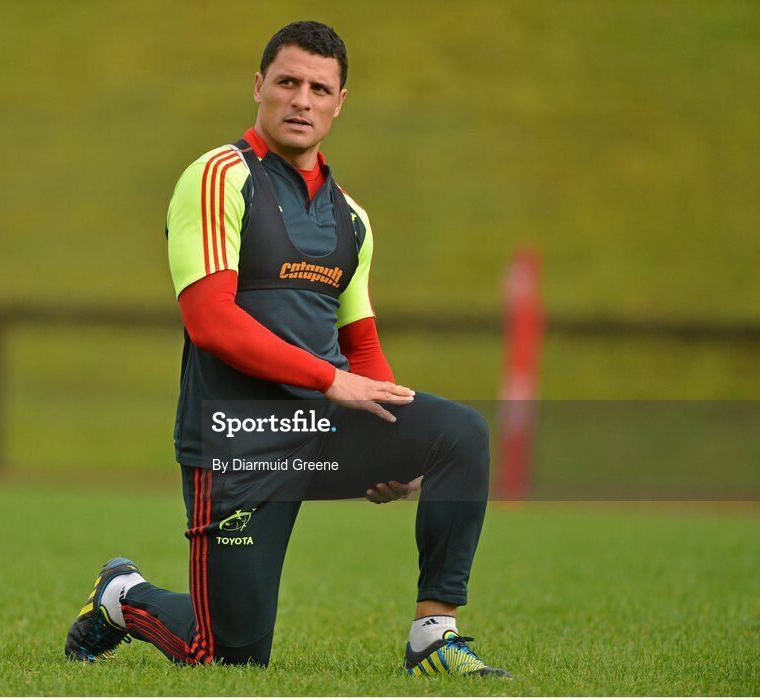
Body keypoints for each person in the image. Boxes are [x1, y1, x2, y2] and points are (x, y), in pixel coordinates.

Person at [65, 20, 510, 678]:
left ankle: (433, 638)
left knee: (458, 435)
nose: (302, 100)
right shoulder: (217, 177)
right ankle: (121, 598)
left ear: (339, 102)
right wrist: (330, 381)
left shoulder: (351, 218)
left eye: (319, 88)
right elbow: (211, 321)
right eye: (288, 82)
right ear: (259, 87)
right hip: (237, 443)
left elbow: (361, 344)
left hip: (322, 431)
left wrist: (391, 433)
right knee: (226, 655)